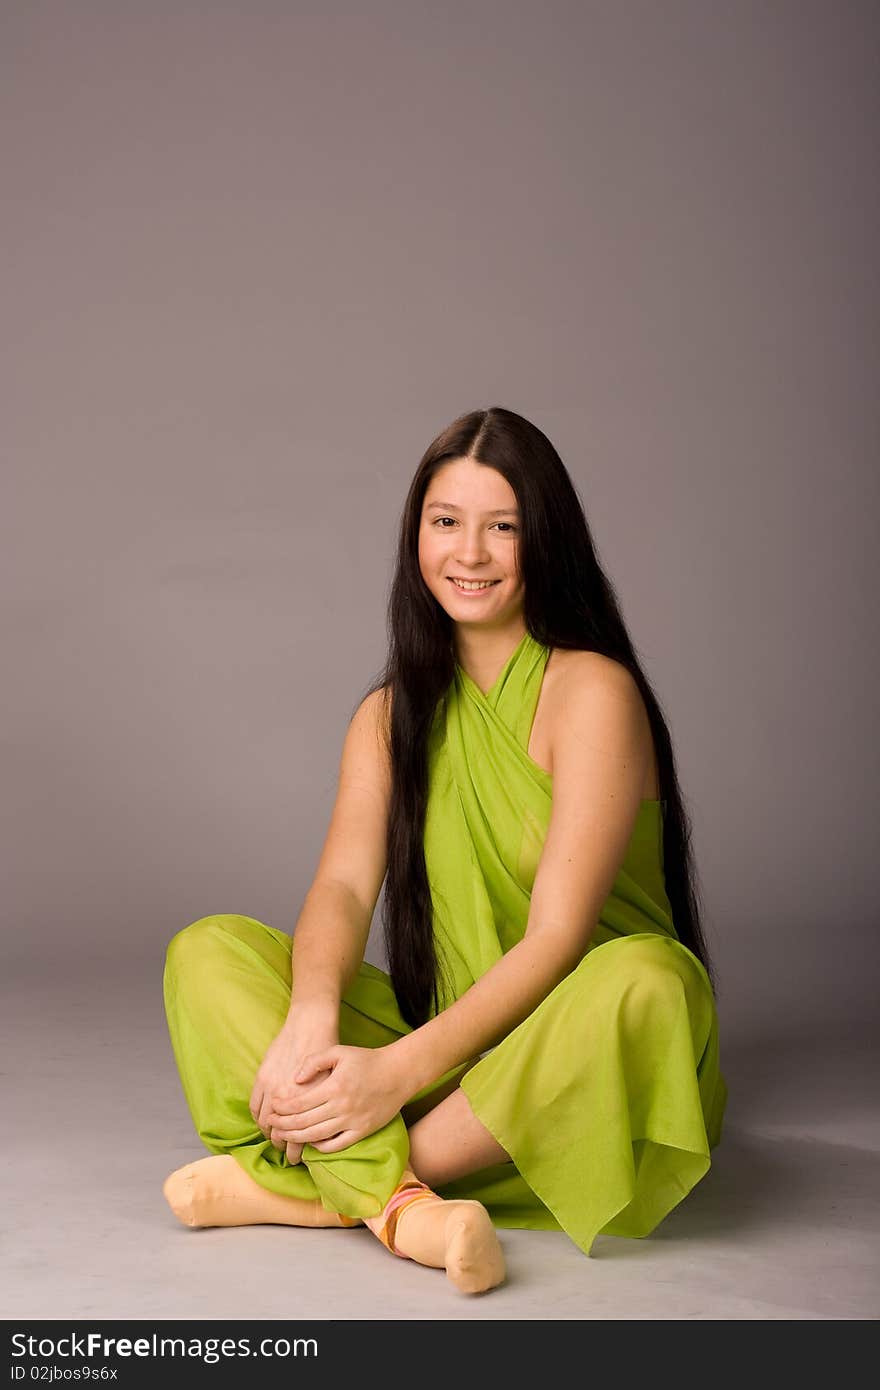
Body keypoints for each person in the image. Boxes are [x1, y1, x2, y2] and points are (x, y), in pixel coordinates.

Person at [162, 406, 728, 1295]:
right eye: (446, 522)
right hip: (451, 1058)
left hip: (570, 1067)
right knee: (208, 952)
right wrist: (314, 1012)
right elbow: (345, 891)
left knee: (652, 981)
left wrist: (389, 1077)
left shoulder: (594, 692)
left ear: (546, 539)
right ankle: (409, 1203)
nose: (470, 554)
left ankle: (330, 1193)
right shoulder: (388, 716)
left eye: (502, 526)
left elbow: (557, 939)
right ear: (415, 537)